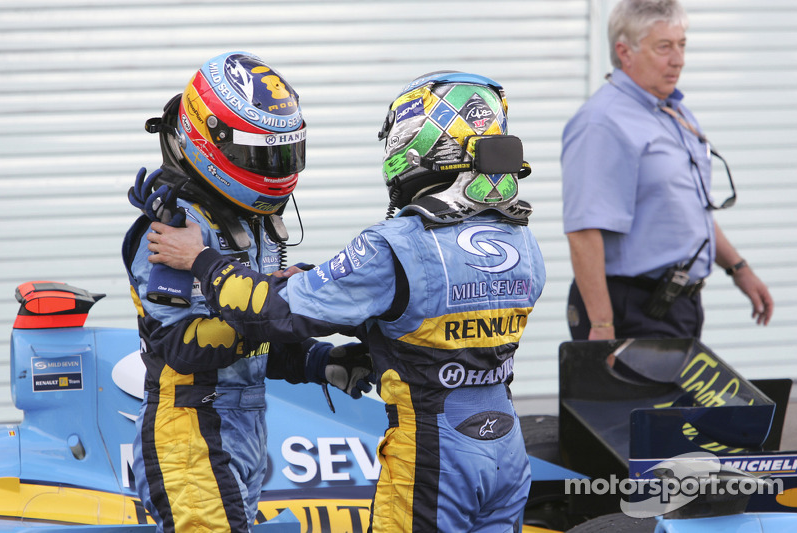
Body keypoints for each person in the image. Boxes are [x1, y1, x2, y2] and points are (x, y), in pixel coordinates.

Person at [144, 71, 546, 532]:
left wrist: (203, 260)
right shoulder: (524, 242)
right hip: (507, 451)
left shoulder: (396, 244)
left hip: (435, 456)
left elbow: (275, 314)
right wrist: (331, 355)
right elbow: (428, 315)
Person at [121, 51, 373, 533]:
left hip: (240, 432)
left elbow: (251, 345)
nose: (275, 168)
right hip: (191, 435)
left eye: (284, 153)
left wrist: (320, 361)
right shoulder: (172, 228)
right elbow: (182, 348)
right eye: (262, 155)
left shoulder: (243, 220)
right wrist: (275, 300)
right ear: (211, 141)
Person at [561, 0, 774, 341]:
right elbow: (583, 231)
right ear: (624, 52)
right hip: (629, 309)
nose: (678, 59)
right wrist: (601, 326)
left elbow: (687, 207)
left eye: (681, 45)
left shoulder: (674, 112)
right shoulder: (601, 123)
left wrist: (738, 268)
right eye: (664, 47)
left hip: (677, 306)